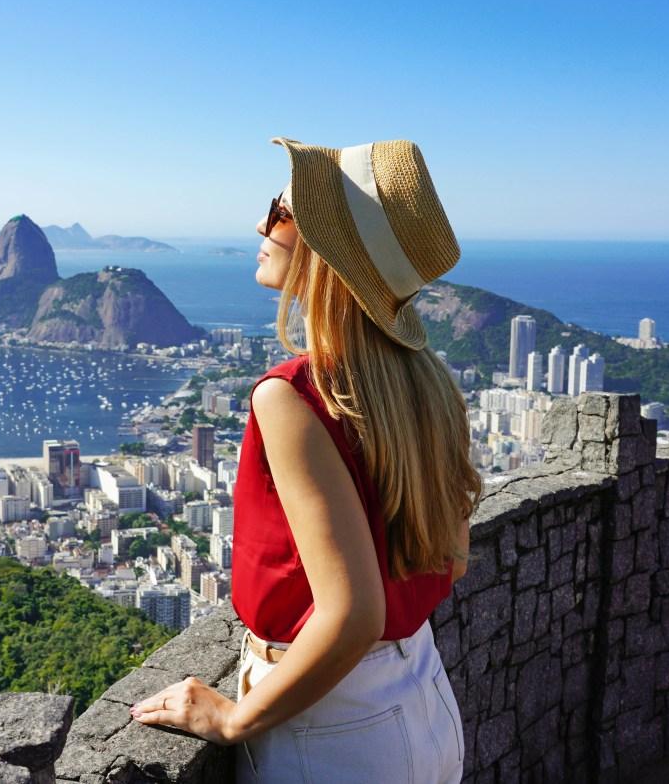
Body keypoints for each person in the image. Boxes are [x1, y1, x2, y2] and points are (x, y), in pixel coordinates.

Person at [130, 137, 482, 782]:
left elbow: (352, 615)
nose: (260, 227)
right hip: (422, 697)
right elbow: (451, 559)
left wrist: (235, 719)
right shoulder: (430, 384)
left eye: (281, 213)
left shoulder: (292, 397)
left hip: (330, 727)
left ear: (327, 249)